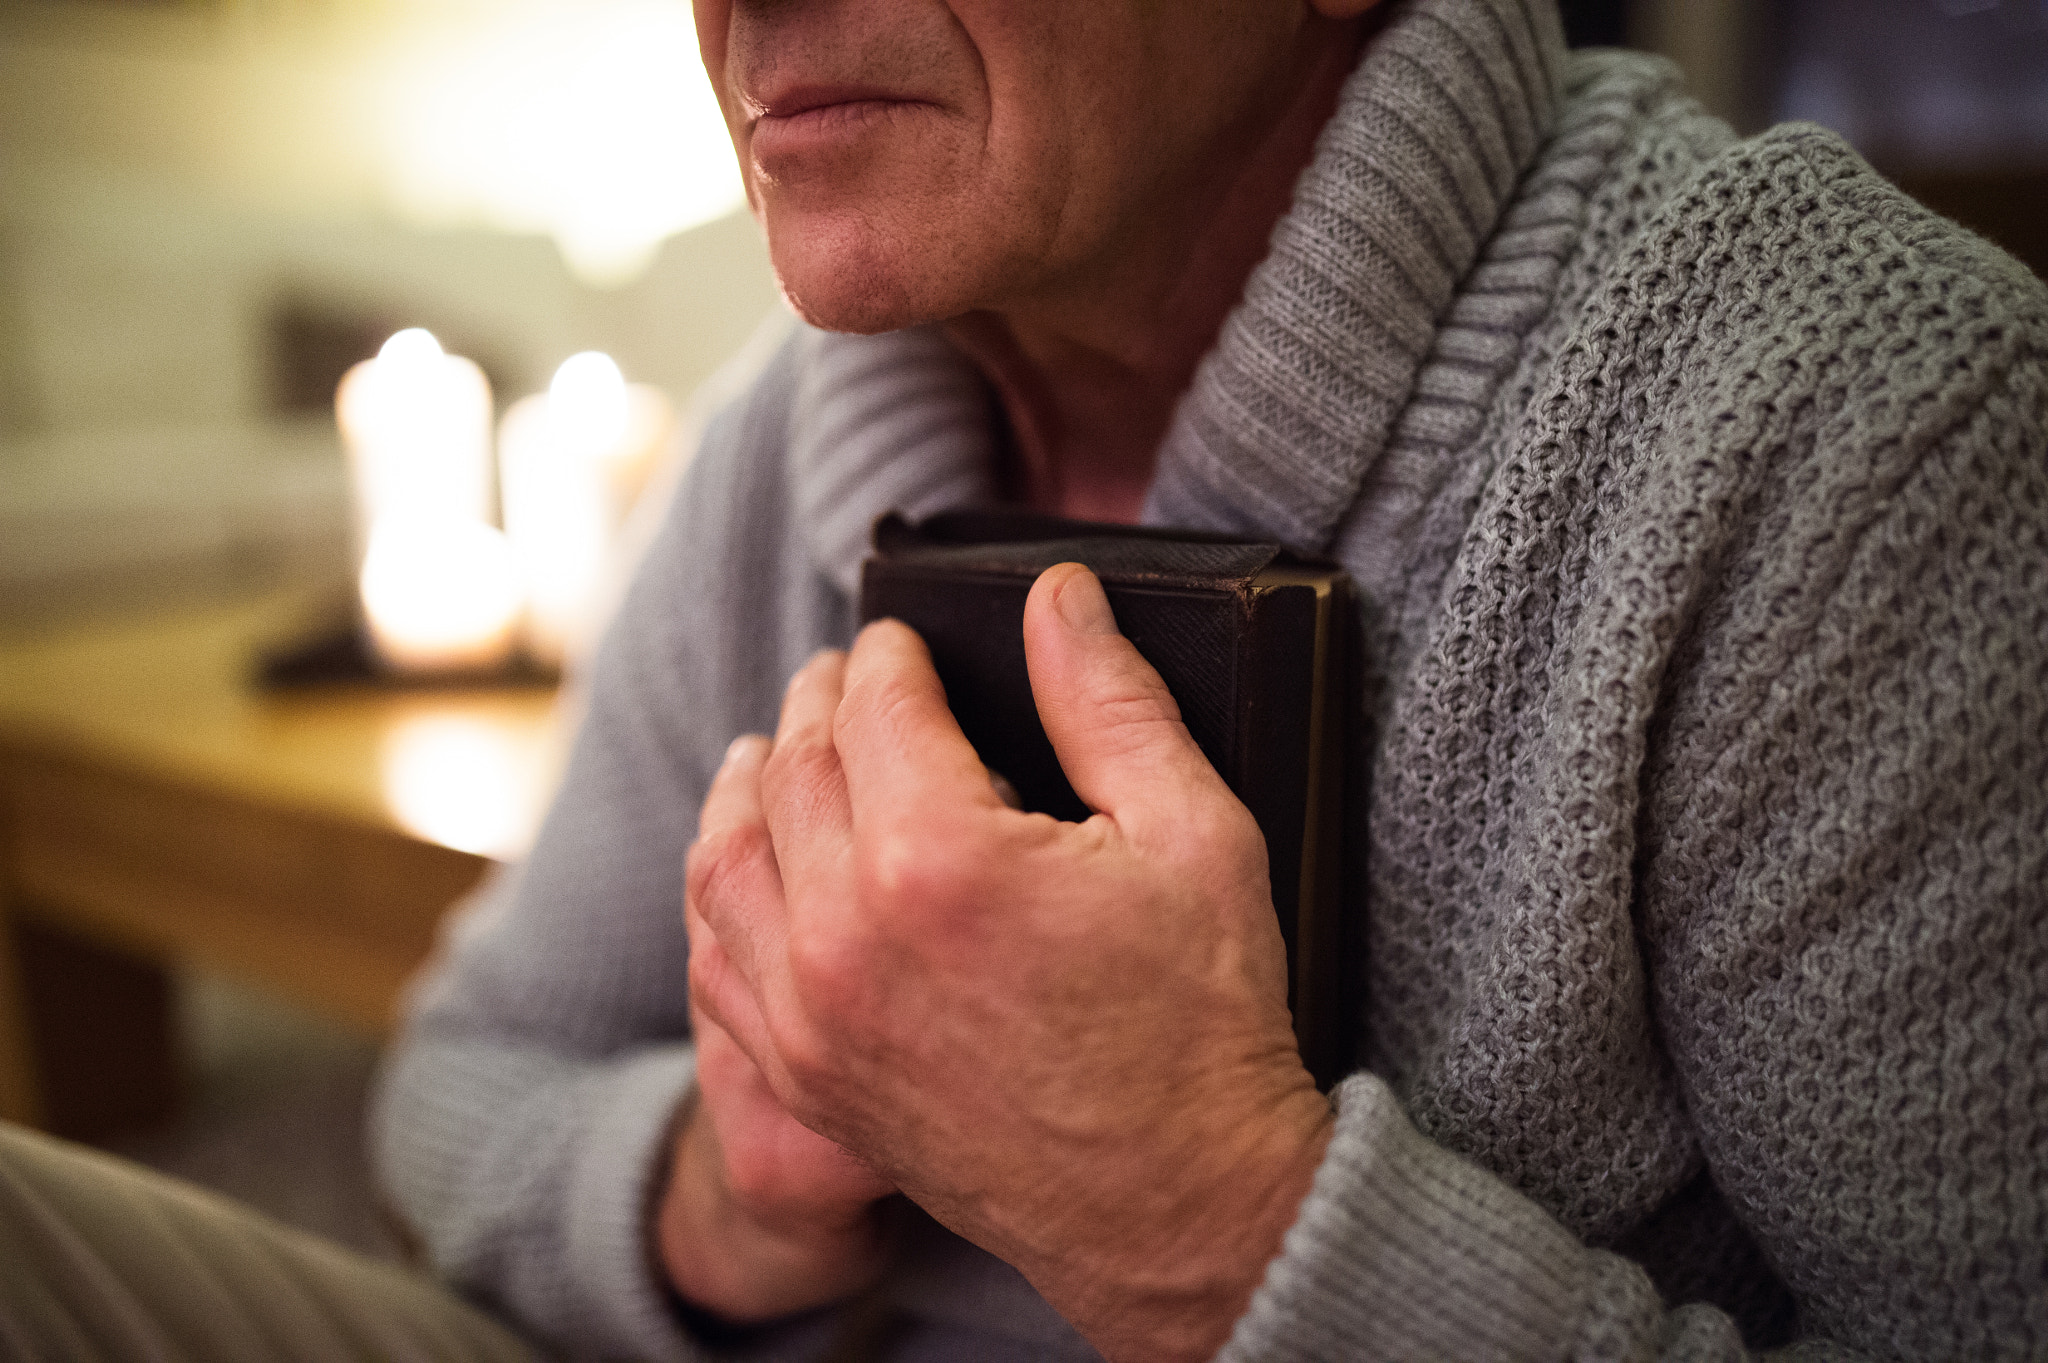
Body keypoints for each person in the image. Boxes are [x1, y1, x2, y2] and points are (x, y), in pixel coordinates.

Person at [1, 0, 2039, 1359]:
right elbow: (463, 1078)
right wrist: (729, 1189)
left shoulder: (1858, 425)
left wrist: (1211, 1218)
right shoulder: (768, 448)